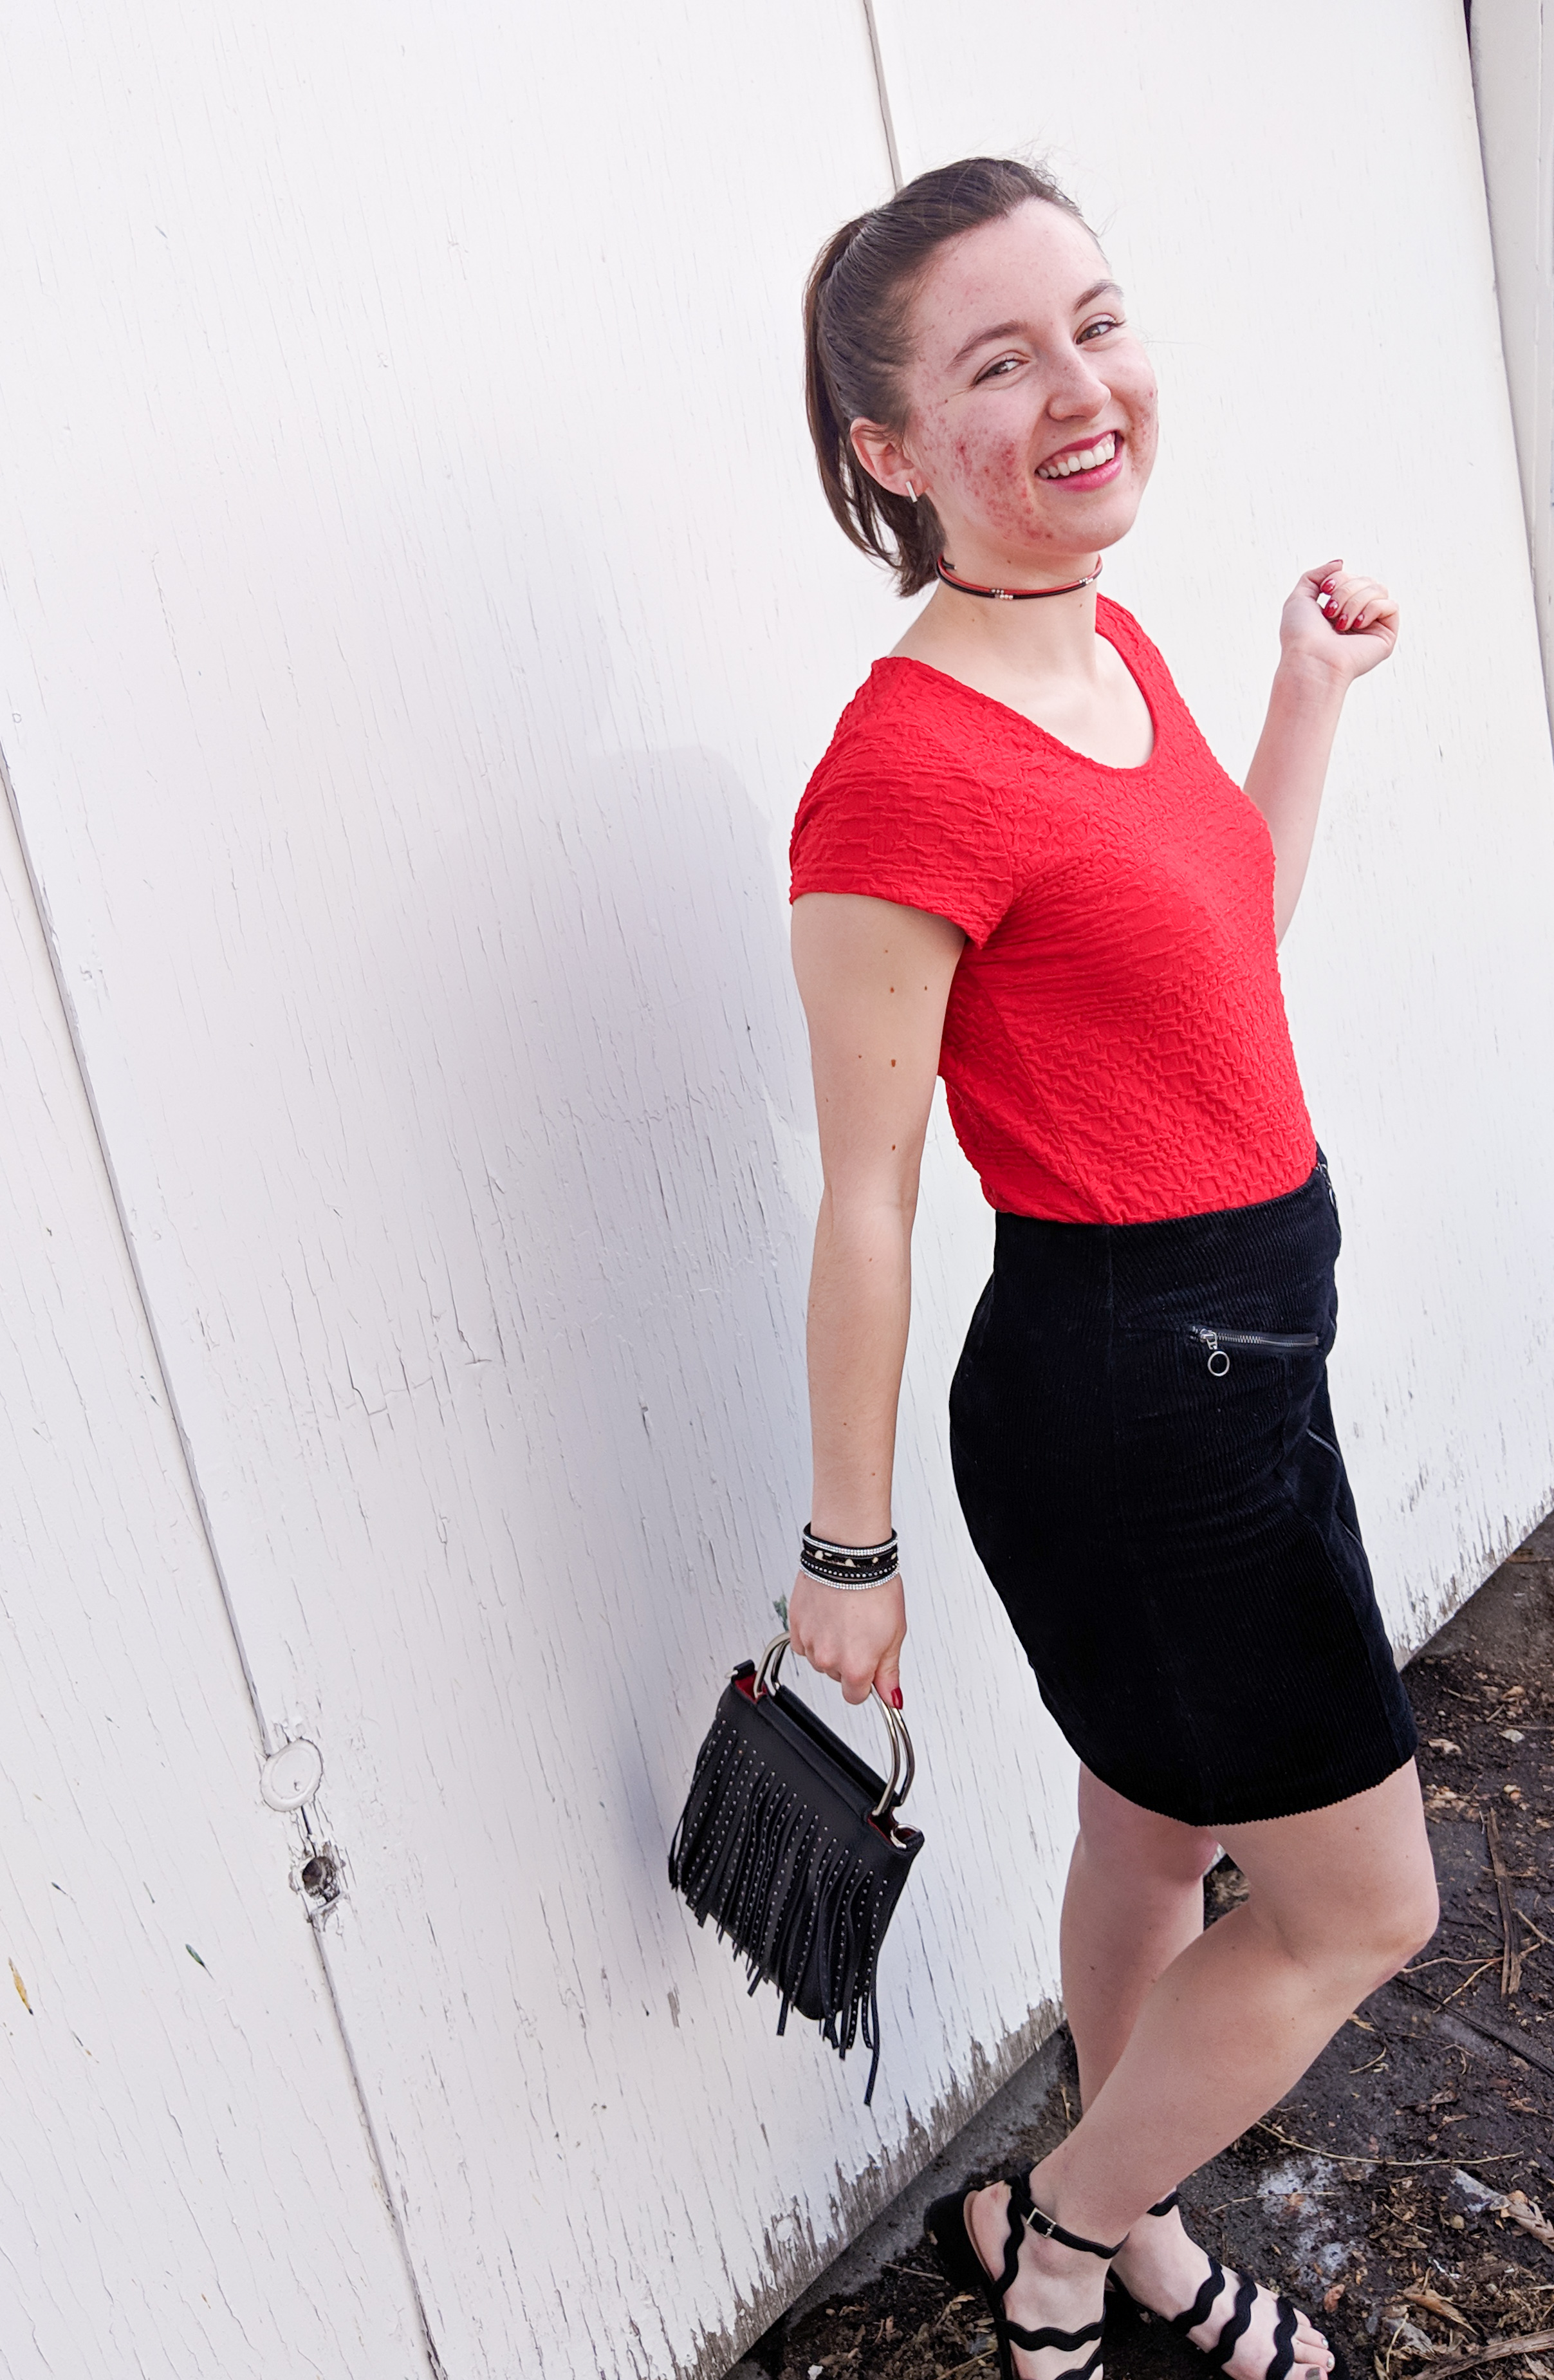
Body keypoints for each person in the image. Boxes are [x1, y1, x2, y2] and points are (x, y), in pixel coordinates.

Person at [786, 157, 1438, 2380]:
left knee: (1152, 1846)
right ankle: (1060, 2222)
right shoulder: (898, 776)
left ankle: (1122, 2209)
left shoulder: (1112, 642)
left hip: (1243, 1350)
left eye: (1097, 320)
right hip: (1133, 1395)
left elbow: (1213, 954)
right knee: (1364, 1905)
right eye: (998, 361)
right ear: (888, 450)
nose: (1082, 388)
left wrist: (1302, 692)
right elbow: (866, 1190)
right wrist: (843, 1552)